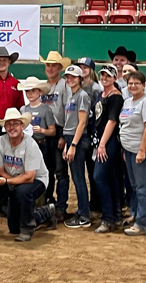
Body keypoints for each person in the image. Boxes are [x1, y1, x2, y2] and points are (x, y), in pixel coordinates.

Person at [0, 108, 55, 242]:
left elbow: (29, 177)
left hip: (37, 180)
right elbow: (0, 169)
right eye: (9, 124)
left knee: (23, 191)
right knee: (13, 228)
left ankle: (27, 229)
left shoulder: (30, 145)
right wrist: (11, 181)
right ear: (5, 127)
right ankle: (45, 213)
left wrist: (8, 182)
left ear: (22, 126)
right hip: (15, 180)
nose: (12, 127)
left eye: (15, 124)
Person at [119, 71, 146, 236]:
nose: (133, 86)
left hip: (139, 150)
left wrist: (142, 150)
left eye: (137, 83)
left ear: (143, 85)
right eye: (130, 83)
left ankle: (143, 223)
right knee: (138, 185)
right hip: (129, 150)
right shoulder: (128, 101)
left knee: (142, 186)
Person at [93, 64, 124, 233]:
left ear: (114, 78)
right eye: (102, 75)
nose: (104, 78)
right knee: (111, 178)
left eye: (107, 75)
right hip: (102, 141)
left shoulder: (116, 97)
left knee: (99, 177)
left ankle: (108, 217)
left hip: (109, 141)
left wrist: (102, 144)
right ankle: (115, 216)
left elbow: (112, 121)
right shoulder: (101, 94)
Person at [39, 50, 70, 221]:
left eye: (53, 65)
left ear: (59, 68)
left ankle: (61, 206)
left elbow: (67, 110)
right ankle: (48, 201)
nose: (50, 68)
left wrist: (64, 135)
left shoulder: (64, 86)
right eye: (48, 65)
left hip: (58, 130)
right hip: (45, 132)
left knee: (61, 171)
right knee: (47, 169)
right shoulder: (44, 87)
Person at [60, 66, 92, 229]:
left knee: (78, 178)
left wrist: (73, 145)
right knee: (76, 177)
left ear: (80, 78)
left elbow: (82, 123)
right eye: (67, 77)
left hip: (77, 139)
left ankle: (84, 215)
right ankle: (82, 212)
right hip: (71, 137)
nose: (69, 79)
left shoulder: (82, 96)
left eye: (73, 77)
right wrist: (68, 143)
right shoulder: (72, 95)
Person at [74, 57, 102, 220]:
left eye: (85, 67)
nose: (83, 69)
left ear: (91, 69)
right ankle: (91, 204)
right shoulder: (78, 87)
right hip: (83, 131)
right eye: (80, 67)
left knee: (93, 171)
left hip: (91, 132)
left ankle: (95, 203)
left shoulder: (95, 88)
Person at [18, 77, 55, 179]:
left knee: (45, 170)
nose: (30, 94)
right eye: (27, 91)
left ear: (40, 92)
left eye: (33, 91)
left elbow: (52, 131)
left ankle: (47, 193)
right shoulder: (23, 109)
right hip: (27, 145)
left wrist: (42, 130)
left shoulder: (46, 109)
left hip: (41, 143)